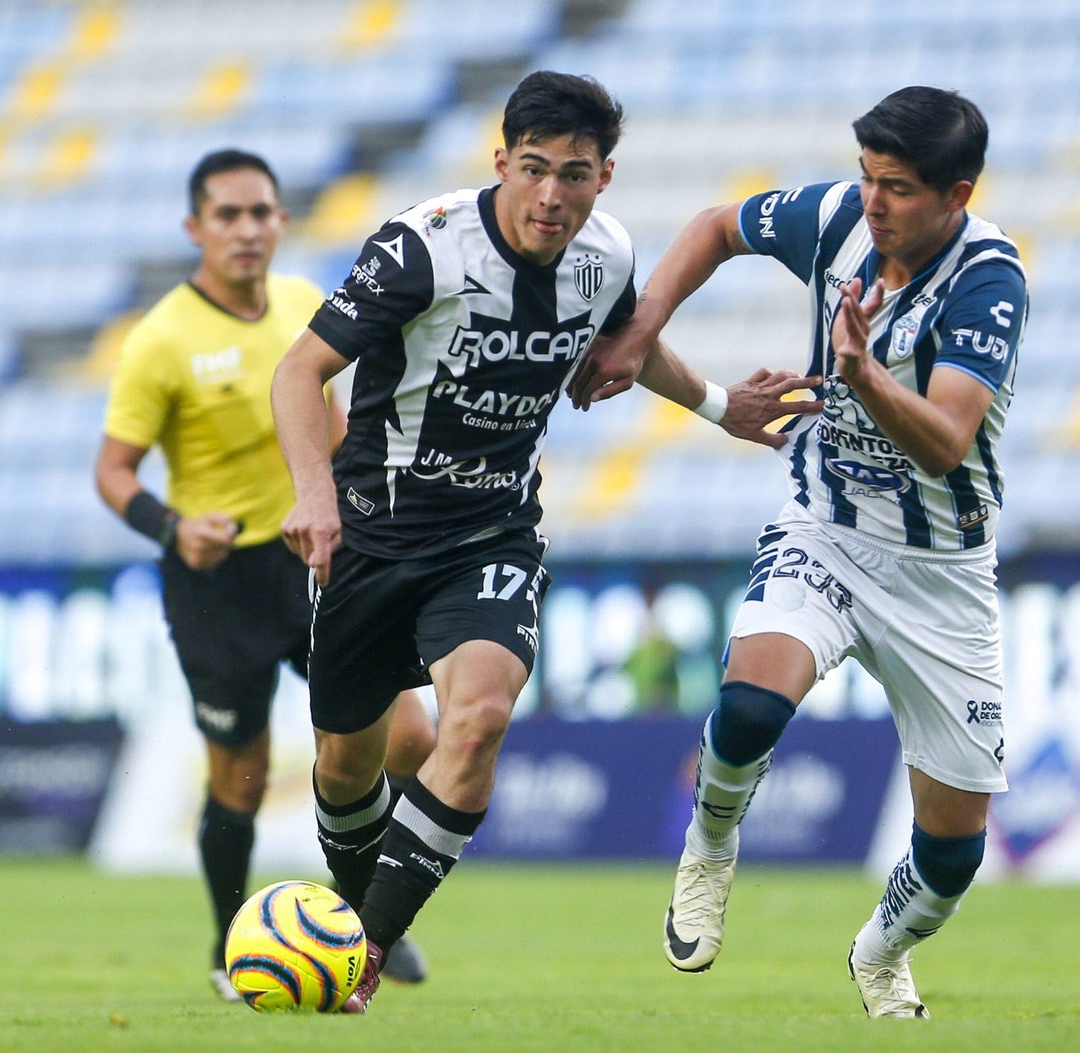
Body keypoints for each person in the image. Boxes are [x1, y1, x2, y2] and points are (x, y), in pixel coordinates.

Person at [271, 70, 816, 1015]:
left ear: (606, 176)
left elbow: (627, 343)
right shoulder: (421, 248)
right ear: (501, 163)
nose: (552, 196)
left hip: (493, 534)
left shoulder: (605, 254)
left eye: (575, 173)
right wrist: (313, 495)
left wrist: (722, 406)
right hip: (369, 538)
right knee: (345, 765)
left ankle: (363, 951)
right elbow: (300, 367)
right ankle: (353, 911)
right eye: (534, 170)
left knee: (477, 719)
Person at [570, 86, 1027, 1018]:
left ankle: (880, 949)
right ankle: (709, 845)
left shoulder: (989, 280)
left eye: (896, 187)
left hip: (942, 576)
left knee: (953, 853)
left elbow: (944, 440)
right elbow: (714, 226)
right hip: (826, 522)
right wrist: (643, 324)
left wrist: (860, 374)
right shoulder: (838, 219)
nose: (872, 201)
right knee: (747, 705)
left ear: (956, 194)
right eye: (867, 177)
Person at [92, 148, 436, 1002]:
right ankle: (227, 940)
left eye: (262, 213)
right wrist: (171, 525)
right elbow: (113, 470)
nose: (248, 230)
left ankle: (370, 922)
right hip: (220, 582)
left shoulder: (301, 306)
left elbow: (336, 419)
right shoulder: (161, 339)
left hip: (317, 554)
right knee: (239, 770)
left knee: (410, 738)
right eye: (229, 215)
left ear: (282, 221)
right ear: (196, 228)